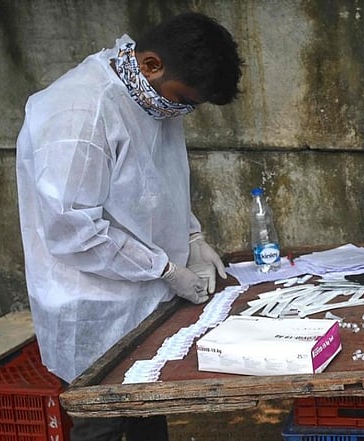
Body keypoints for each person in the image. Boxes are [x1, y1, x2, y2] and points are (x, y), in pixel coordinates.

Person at [15, 12, 243, 441]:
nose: (182, 111)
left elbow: (156, 185)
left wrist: (191, 236)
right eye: (183, 100)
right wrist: (165, 269)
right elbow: (74, 229)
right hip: (94, 303)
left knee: (147, 408)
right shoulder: (79, 114)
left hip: (142, 295)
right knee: (100, 420)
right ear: (152, 64)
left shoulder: (149, 97)